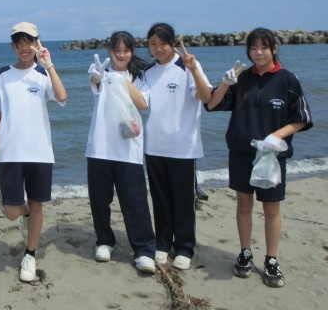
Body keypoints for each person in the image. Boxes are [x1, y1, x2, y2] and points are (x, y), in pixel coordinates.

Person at [205, 27, 312, 288]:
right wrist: (226, 83)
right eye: (253, 48)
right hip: (241, 154)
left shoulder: (287, 80)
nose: (258, 52)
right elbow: (211, 104)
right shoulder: (242, 78)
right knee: (243, 205)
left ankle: (271, 260)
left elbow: (301, 119)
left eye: (264, 47)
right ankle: (245, 254)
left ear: (274, 49)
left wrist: (276, 136)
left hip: (272, 156)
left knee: (271, 208)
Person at [0, 22, 67, 283]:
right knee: (11, 210)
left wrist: (49, 65)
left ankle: (30, 255)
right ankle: (24, 216)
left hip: (39, 152)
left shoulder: (43, 73)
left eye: (29, 42)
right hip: (11, 152)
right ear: (13, 46)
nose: (24, 48)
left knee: (37, 205)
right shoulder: (2, 73)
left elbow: (62, 97)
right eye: (19, 43)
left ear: (37, 43)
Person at [139, 22, 212, 271]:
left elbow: (206, 97)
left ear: (173, 43)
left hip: (183, 147)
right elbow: (142, 105)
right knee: (160, 198)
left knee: (183, 199)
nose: (158, 49)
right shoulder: (148, 71)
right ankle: (162, 243)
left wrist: (194, 70)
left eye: (163, 43)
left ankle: (184, 247)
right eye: (153, 44)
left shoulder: (187, 66)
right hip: (154, 146)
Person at [85, 31, 156, 274]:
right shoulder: (100, 71)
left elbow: (143, 104)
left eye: (126, 50)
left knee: (135, 201)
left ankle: (144, 250)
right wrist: (100, 75)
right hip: (99, 149)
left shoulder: (140, 77)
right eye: (117, 51)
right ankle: (104, 240)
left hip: (129, 150)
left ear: (132, 52)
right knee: (99, 201)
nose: (122, 55)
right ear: (110, 52)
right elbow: (94, 82)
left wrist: (122, 80)